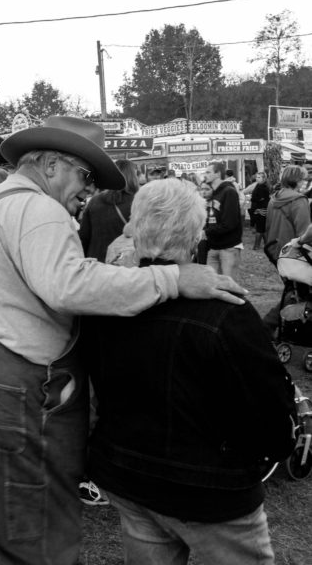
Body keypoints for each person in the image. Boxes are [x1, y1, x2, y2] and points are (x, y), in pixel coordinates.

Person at [0, 116, 247, 565]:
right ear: (50, 163)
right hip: (11, 392)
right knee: (35, 533)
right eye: (85, 176)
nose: (89, 190)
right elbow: (69, 285)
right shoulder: (38, 209)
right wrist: (172, 278)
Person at [82, 179, 296, 564]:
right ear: (197, 234)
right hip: (207, 491)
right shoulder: (227, 310)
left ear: (134, 227)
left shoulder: (106, 299)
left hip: (129, 473)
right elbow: (268, 407)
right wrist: (272, 451)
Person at [78, 159, 140, 261]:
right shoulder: (139, 202)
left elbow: (84, 237)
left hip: (96, 264)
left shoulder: (95, 201)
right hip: (126, 265)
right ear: (134, 176)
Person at [202, 161, 244, 281]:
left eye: (208, 172)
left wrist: (206, 232)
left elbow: (229, 223)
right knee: (213, 285)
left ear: (218, 173)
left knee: (229, 286)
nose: (205, 175)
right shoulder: (213, 193)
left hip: (229, 247)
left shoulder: (228, 192)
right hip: (213, 247)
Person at [264, 165, 310, 263]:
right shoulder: (299, 200)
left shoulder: (273, 198)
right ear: (297, 180)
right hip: (293, 252)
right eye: (302, 179)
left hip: (275, 249)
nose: (303, 182)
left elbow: (268, 227)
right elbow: (304, 232)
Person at [245, 171, 270, 251]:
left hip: (261, 210)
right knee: (261, 228)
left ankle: (257, 246)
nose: (257, 178)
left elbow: (263, 199)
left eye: (259, 177)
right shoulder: (258, 185)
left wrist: (252, 199)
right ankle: (266, 245)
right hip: (258, 209)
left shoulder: (263, 187)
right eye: (256, 177)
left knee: (260, 229)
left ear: (264, 178)